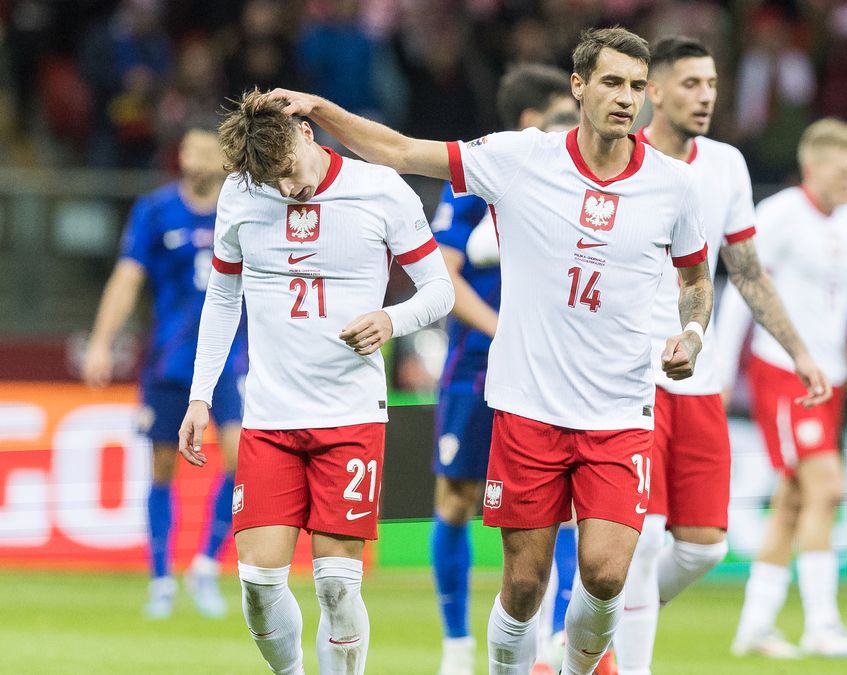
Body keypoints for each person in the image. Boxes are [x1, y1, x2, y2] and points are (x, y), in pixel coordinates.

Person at [269, 26, 715, 675]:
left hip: (620, 410)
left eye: (637, 86)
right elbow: (399, 149)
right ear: (579, 86)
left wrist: (693, 334)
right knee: (526, 583)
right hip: (528, 406)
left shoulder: (673, 186)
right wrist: (323, 110)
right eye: (611, 82)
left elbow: (695, 281)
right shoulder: (520, 157)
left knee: (607, 573)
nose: (625, 98)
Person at [177, 90, 454, 675]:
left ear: (308, 133)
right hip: (271, 417)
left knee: (335, 585)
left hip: (350, 414)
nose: (286, 191)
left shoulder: (379, 190)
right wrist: (201, 393)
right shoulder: (242, 193)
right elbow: (224, 294)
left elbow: (439, 290)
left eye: (290, 175)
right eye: (270, 182)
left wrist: (390, 319)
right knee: (256, 584)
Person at [612, 36, 829, 675]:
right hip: (629, 377)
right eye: (689, 84)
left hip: (698, 380)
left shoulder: (727, 165)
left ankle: (586, 629)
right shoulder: (619, 159)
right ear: (653, 91)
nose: (704, 95)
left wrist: (799, 351)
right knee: (644, 539)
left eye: (710, 84)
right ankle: (622, 661)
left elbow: (749, 273)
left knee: (704, 548)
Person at [717, 118, 847, 659]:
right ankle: (823, 624)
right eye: (842, 173)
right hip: (783, 370)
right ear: (812, 167)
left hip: (829, 377)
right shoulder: (779, 215)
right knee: (827, 485)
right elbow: (743, 291)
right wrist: (717, 373)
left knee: (792, 502)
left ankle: (755, 626)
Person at [428, 63, 578, 675]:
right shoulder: (478, 179)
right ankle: (458, 646)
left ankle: (560, 641)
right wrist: (504, 330)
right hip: (475, 368)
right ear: (531, 121)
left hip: (550, 374)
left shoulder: (581, 185)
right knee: (457, 500)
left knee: (560, 504)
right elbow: (443, 273)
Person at [81, 127, 247, 620]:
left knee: (242, 459)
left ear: (225, 160)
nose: (192, 158)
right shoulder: (155, 210)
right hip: (171, 358)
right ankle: (160, 579)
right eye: (187, 149)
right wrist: (102, 342)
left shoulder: (241, 209)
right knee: (162, 466)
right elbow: (127, 278)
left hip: (231, 356)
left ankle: (205, 566)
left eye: (204, 150)